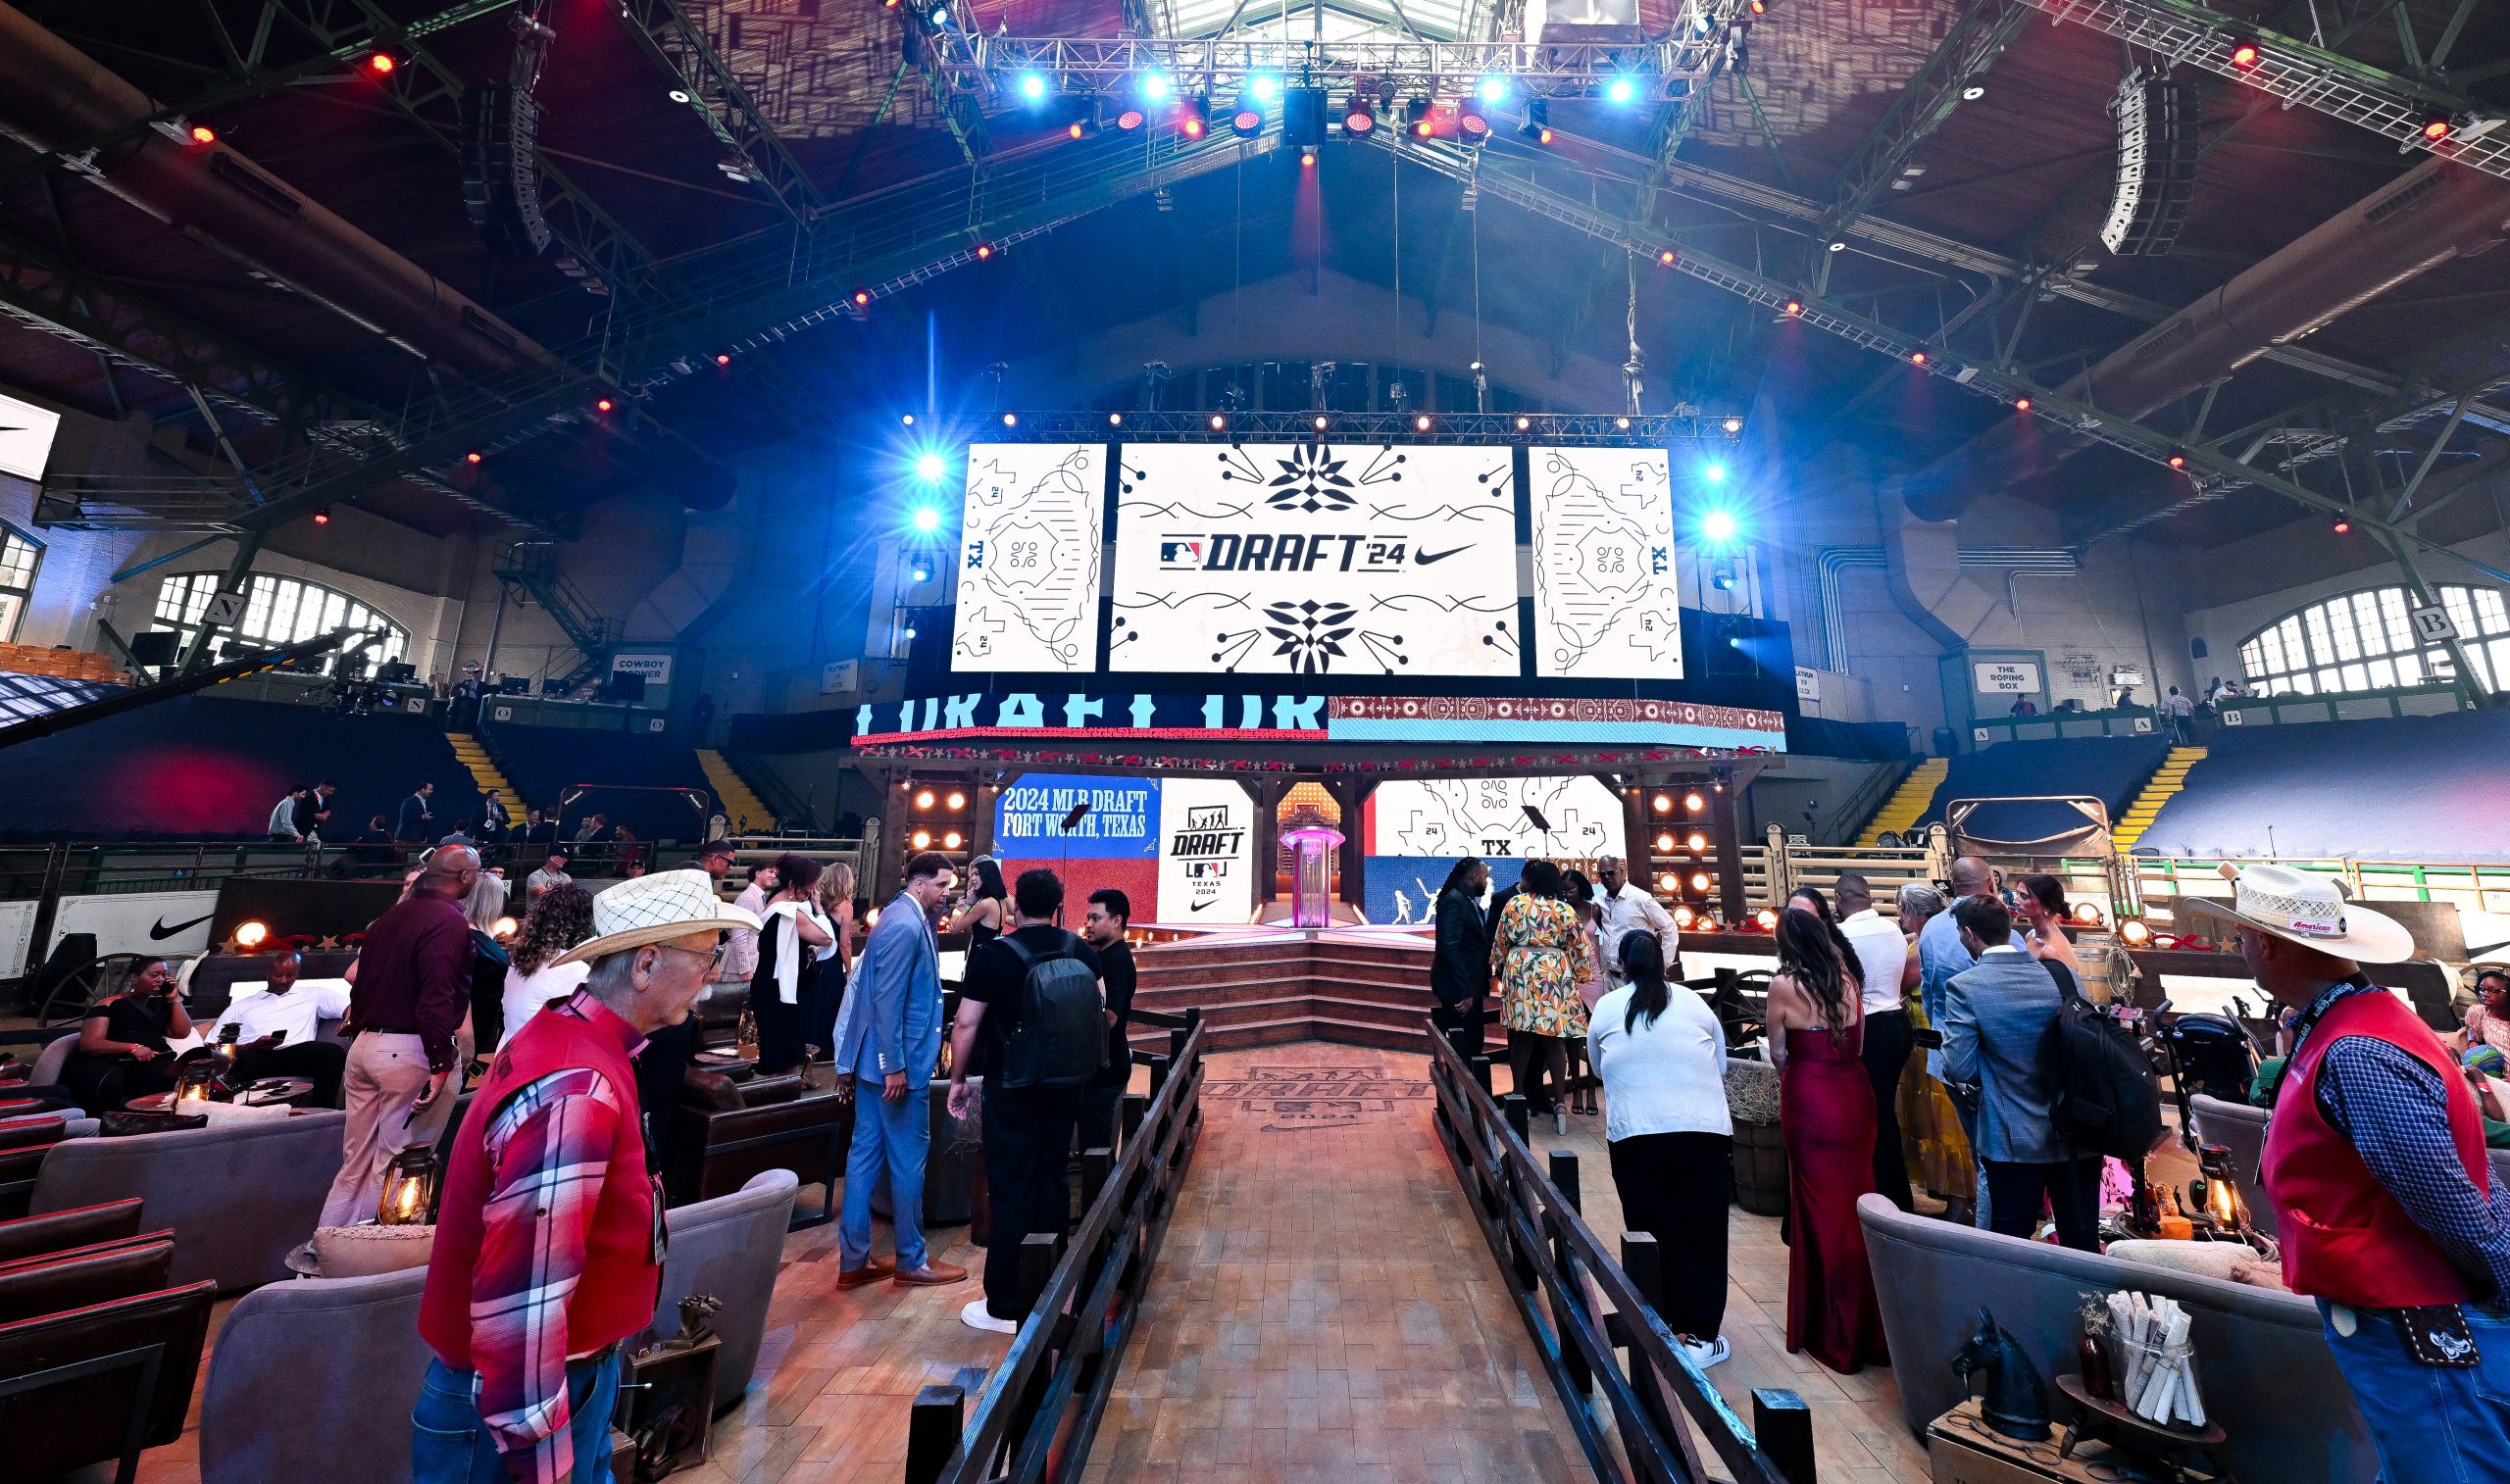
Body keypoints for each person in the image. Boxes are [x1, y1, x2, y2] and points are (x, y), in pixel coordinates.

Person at [411, 868, 754, 1484]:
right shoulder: (575, 1086)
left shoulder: (581, 1043)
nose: (713, 975)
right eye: (708, 956)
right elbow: (523, 1302)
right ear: (646, 963)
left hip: (572, 1375)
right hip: (514, 1408)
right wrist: (540, 1458)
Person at [2184, 866, 2510, 1480]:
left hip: (2413, 1312)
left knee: (2446, 1468)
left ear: (2269, 945)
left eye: (2242, 936)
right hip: (2404, 1309)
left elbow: (2448, 1198)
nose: (2239, 947)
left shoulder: (2358, 1049)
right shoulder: (2349, 1024)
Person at [948, 868, 1103, 1334]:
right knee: (1052, 1175)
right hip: (1066, 1082)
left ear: (1015, 906)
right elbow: (1097, 1007)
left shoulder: (995, 955)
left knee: (1011, 1185)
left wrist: (958, 1079)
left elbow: (966, 1022)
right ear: (1057, 907)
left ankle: (1007, 1303)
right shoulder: (1079, 949)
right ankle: (1053, 1284)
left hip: (1012, 1085)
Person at [319, 845, 480, 1229]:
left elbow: (360, 978)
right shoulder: (448, 921)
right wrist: (440, 1063)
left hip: (365, 1046)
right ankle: (367, 1259)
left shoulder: (390, 917)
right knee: (397, 1164)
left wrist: (360, 1021)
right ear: (465, 877)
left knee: (355, 1164)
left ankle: (326, 1249)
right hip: (410, 1050)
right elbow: (436, 995)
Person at [1588, 933, 1732, 1368]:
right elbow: (1721, 1064)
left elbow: (1599, 1067)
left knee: (1649, 1226)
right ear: (1663, 962)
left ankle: (1658, 1322)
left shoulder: (1607, 1007)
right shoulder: (1694, 1003)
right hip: (1701, 1131)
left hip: (1635, 1134)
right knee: (1702, 1231)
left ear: (1622, 965)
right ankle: (1701, 1335)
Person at [832, 852, 965, 1291]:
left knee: (864, 1158)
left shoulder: (897, 916)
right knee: (908, 1162)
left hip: (874, 1062)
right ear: (919, 883)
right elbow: (884, 1000)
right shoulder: (905, 924)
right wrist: (894, 1066)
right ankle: (912, 1259)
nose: (947, 894)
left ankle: (853, 1262)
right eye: (942, 885)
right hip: (895, 1068)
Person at [1938, 894, 2101, 1251]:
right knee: (2083, 1245)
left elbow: (1958, 1067)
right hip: (2078, 1131)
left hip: (2011, 1138)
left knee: (2010, 1247)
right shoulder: (2064, 975)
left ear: (1968, 934)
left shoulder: (1965, 986)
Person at [1766, 906, 1888, 1374]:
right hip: (1854, 1094)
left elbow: (1779, 1053)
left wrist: (1802, 1074)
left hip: (1811, 1099)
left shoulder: (1784, 986)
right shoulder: (1849, 982)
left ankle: (1831, 1326)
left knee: (1818, 1209)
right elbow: (1859, 1044)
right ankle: (1867, 1322)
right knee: (1857, 1201)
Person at [1918, 856, 2021, 1225]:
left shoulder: (1932, 928)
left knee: (1982, 1148)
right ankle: (1993, 1236)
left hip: (1950, 1050)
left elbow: (1929, 991)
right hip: (1997, 1056)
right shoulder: (2001, 926)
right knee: (1995, 1154)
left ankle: (1989, 1226)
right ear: (1991, 882)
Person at [1493, 859, 1594, 1135]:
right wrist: (1582, 974)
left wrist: (1501, 966)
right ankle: (1560, 1103)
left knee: (1522, 1038)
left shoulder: (1514, 904)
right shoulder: (1564, 909)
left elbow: (1500, 943)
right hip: (1554, 974)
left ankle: (1518, 1096)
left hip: (1521, 973)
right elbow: (1580, 945)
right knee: (1555, 1040)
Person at [1834, 873, 1916, 1212]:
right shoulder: (1892, 930)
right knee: (1883, 1111)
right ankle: (1896, 1197)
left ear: (1838, 900)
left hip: (1867, 1027)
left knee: (1868, 1115)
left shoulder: (1842, 935)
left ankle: (1879, 1196)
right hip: (1897, 1023)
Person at [1894, 884, 1975, 1212]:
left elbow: (1902, 981)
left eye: (1903, 911)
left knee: (1944, 1117)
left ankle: (1960, 1199)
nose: (1901, 918)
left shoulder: (1926, 942)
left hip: (1929, 1029)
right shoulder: (1928, 937)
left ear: (1915, 912)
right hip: (1924, 1031)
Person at [192, 950, 351, 1105]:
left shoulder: (314, 994)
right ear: (267, 973)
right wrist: (252, 1045)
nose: (284, 980)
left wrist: (348, 1023)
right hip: (254, 1056)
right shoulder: (240, 1006)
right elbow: (212, 1047)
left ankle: (321, 1111)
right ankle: (225, 1107)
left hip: (295, 1055)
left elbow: (351, 1008)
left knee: (332, 1052)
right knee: (236, 1060)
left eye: (290, 975)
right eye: (278, 975)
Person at [61, 957, 191, 1108]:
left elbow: (182, 1032)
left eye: (164, 975)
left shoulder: (160, 1004)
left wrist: (174, 998)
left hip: (152, 1060)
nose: (160, 979)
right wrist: (132, 1047)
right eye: (154, 975)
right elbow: (90, 1043)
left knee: (185, 1077)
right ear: (134, 978)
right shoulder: (108, 1005)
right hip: (117, 1061)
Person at [751, 854, 831, 1075]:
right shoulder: (789, 911)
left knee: (779, 1052)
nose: (811, 892)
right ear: (793, 884)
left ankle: (779, 1091)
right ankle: (784, 1093)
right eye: (808, 888)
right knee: (786, 1057)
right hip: (778, 990)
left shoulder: (774, 902)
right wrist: (818, 908)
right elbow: (827, 938)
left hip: (769, 984)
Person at [1079, 887, 1136, 1157]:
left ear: (1116, 920)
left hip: (1106, 1067)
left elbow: (1109, 1017)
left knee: (1097, 1150)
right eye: (1088, 918)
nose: (1089, 924)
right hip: (1102, 1065)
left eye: (1096, 918)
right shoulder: (1106, 955)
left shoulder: (1116, 960)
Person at [500, 884, 594, 1050]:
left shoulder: (522, 958)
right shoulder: (573, 969)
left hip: (507, 1052)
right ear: (585, 924)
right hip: (535, 1058)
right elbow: (583, 1036)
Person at [1431, 858, 1492, 1044]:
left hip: (1469, 985)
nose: (1486, 882)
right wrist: (1464, 991)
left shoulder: (1466, 900)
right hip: (1459, 990)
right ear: (1475, 876)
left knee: (1474, 1042)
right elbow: (1450, 947)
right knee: (1466, 1046)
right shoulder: (1454, 901)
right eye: (1485, 877)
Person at [1592, 855, 1680, 985]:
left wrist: (1662, 963)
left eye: (1611, 873)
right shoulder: (1600, 900)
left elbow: (1669, 926)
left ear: (1622, 872)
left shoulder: (1640, 898)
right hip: (1611, 976)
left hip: (1639, 977)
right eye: (1602, 874)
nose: (1607, 877)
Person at [809, 862, 860, 1060]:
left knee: (812, 1002)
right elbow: (844, 943)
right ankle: (824, 1050)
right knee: (830, 1005)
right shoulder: (846, 906)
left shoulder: (814, 900)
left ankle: (808, 1047)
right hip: (831, 961)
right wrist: (849, 970)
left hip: (813, 957)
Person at [724, 860, 779, 993]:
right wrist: (745, 970)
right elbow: (739, 936)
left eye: (775, 873)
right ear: (758, 873)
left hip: (751, 964)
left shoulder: (758, 896)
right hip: (738, 968)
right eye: (770, 872)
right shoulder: (747, 898)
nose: (774, 876)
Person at [2014, 873, 2084, 976]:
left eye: (2024, 896)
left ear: (2047, 905)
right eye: (2017, 893)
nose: (2015, 901)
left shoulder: (2050, 950)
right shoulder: (2031, 936)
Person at [949, 857, 1009, 951]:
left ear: (987, 874)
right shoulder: (1001, 901)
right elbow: (978, 932)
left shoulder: (986, 904)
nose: (973, 878)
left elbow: (955, 929)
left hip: (980, 955)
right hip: (989, 953)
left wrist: (968, 905)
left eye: (977, 874)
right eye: (972, 875)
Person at [2462, 967, 2510, 1056]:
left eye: (2493, 990)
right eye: (2482, 989)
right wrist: (2472, 1043)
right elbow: (2471, 1032)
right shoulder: (2479, 1013)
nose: (2485, 994)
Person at [298, 778, 337, 845]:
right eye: (330, 791)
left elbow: (327, 815)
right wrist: (317, 816)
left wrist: (324, 817)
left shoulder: (326, 799)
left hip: (316, 831)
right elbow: (301, 814)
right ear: (323, 786)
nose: (331, 793)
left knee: (317, 848)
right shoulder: (307, 796)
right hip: (303, 831)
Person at [397, 781, 436, 845]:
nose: (432, 792)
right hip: (408, 839)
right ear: (423, 789)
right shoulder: (409, 801)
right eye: (430, 790)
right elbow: (404, 818)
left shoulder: (423, 801)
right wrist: (423, 817)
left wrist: (423, 837)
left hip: (417, 839)